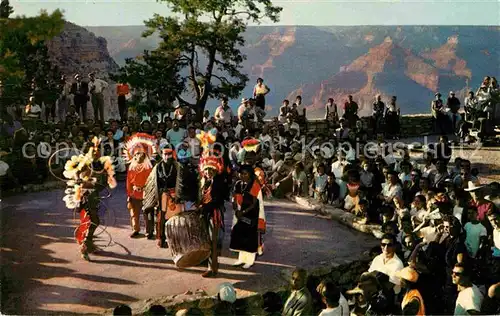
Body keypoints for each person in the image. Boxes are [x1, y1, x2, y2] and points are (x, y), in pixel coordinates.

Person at [142, 146, 180, 246]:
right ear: (162, 155)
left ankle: (174, 239)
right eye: (165, 154)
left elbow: (182, 182)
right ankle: (161, 238)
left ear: (172, 155)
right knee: (161, 217)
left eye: (169, 154)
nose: (167, 157)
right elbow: (151, 183)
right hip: (162, 195)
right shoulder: (157, 167)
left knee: (174, 218)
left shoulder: (177, 166)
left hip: (174, 195)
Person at [230, 164, 264, 269]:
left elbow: (254, 203)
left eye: (245, 173)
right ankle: (241, 259)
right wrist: (236, 209)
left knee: (250, 237)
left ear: (250, 174)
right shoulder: (238, 184)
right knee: (240, 235)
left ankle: (250, 260)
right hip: (240, 213)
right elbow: (234, 198)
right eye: (241, 173)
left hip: (251, 214)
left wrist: (243, 212)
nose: (243, 175)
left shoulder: (254, 185)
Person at [198, 152, 226, 278]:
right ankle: (208, 263)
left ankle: (212, 268)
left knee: (212, 241)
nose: (208, 172)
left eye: (211, 169)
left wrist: (204, 208)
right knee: (206, 240)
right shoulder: (204, 181)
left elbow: (217, 201)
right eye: (206, 169)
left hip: (214, 214)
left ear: (215, 170)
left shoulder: (218, 183)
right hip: (205, 213)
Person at [124, 133, 155, 238]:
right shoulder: (131, 167)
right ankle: (135, 229)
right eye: (137, 154)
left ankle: (149, 231)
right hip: (134, 193)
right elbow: (128, 181)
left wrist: (151, 193)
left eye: (141, 154)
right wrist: (129, 193)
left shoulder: (149, 168)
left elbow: (152, 181)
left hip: (146, 193)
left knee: (148, 213)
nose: (139, 156)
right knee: (134, 212)